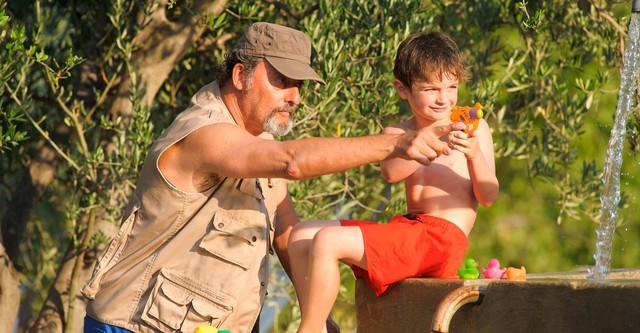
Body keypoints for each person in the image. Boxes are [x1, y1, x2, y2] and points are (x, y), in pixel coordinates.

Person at [81, 23, 464, 333]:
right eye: (281, 80)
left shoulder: (257, 138)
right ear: (240, 76)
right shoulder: (203, 133)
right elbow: (291, 161)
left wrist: (315, 317)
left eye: (299, 85)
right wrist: (398, 144)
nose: (294, 96)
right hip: (132, 325)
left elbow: (285, 231)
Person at [287, 31, 500, 333]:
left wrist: (475, 154)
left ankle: (305, 331)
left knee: (327, 241)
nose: (444, 98)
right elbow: (392, 172)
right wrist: (432, 136)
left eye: (451, 87)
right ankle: (321, 326)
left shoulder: (474, 130)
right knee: (300, 236)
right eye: (431, 89)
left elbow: (489, 196)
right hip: (410, 229)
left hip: (442, 241)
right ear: (403, 89)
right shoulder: (396, 134)